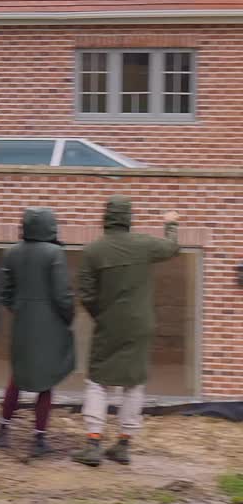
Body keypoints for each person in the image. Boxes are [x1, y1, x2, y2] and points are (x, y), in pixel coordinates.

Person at [72, 196, 179, 467]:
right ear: (128, 218)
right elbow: (172, 248)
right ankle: (123, 444)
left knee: (98, 381)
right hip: (141, 325)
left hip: (109, 324)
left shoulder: (94, 251)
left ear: (105, 218)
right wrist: (171, 224)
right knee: (134, 382)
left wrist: (103, 316)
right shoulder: (144, 245)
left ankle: (93, 443)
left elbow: (86, 293)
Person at [0, 208, 75, 459]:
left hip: (22, 323)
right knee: (46, 380)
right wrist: (68, 317)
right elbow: (63, 295)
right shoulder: (55, 254)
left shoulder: (12, 253)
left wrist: (18, 309)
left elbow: (4, 292)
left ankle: (2, 430)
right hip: (49, 324)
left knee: (17, 376)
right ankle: (39, 437)